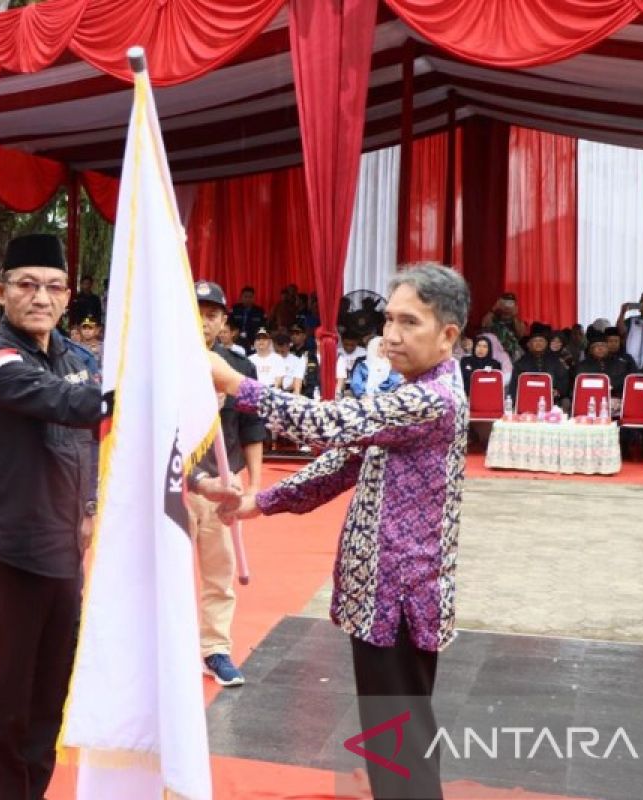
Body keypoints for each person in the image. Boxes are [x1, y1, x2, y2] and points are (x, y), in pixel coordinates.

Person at [212, 263, 470, 800]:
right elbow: (346, 461)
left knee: (400, 750)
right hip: (380, 595)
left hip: (399, 596)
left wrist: (240, 386)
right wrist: (258, 502)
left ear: (448, 335)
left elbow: (331, 425)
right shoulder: (412, 390)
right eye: (389, 320)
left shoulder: (431, 398)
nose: (390, 336)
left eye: (409, 322)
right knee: (391, 742)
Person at [0, 234, 106, 800]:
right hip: (8, 552)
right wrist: (143, 392)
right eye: (26, 284)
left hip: (64, 553)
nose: (40, 297)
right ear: (1, 292)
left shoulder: (77, 359)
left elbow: (97, 440)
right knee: (4, 703)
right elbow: (63, 404)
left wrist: (91, 505)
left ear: (68, 296)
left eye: (53, 286)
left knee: (50, 698)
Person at [185, 281, 267, 687]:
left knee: (220, 571)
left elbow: (252, 428)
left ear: (223, 322)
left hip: (226, 480)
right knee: (169, 573)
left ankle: (215, 648)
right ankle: (170, 650)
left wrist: (252, 484)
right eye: (196, 311)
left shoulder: (238, 366)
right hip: (176, 484)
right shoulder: (163, 363)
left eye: (212, 314)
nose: (204, 321)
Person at [508, 324, 567, 403]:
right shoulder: (521, 363)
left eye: (541, 341)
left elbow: (564, 379)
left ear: (546, 344)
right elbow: (514, 387)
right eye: (535, 341)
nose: (538, 343)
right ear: (529, 344)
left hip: (551, 400)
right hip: (528, 400)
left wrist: (558, 391)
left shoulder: (555, 360)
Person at [573, 329, 629, 408]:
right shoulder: (582, 365)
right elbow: (580, 386)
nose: (600, 348)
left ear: (608, 348)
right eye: (596, 346)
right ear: (591, 350)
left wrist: (611, 387)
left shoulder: (619, 363)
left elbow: (623, 382)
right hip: (590, 400)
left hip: (614, 400)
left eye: (603, 346)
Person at [480, 291, 528, 360]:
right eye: (505, 302)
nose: (507, 306)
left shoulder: (516, 320)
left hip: (512, 353)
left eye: (510, 303)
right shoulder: (493, 317)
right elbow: (484, 324)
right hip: (495, 351)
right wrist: (494, 308)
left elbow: (521, 334)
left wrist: (514, 315)